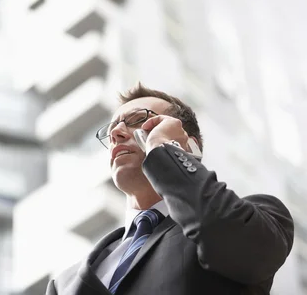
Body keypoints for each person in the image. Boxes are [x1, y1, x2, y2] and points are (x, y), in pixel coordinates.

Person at [46, 83, 294, 295]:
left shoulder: (255, 216)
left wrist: (162, 148)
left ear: (188, 146)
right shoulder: (63, 284)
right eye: (111, 131)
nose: (117, 133)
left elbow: (242, 249)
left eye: (138, 120)